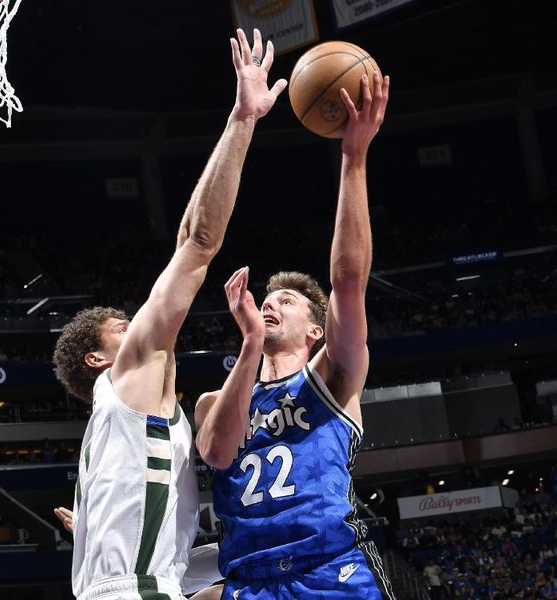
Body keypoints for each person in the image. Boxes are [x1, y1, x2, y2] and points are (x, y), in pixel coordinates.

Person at [51, 28, 286, 600]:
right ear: (99, 356)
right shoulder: (128, 374)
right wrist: (243, 118)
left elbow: (164, 566)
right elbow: (198, 240)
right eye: (123, 327)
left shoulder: (120, 430)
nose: (142, 326)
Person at [194, 71, 394, 599]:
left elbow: (348, 281)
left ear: (315, 330)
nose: (270, 302)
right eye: (267, 299)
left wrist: (354, 158)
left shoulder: (333, 374)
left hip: (330, 570)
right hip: (250, 582)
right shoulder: (214, 400)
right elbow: (217, 453)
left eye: (287, 302)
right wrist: (251, 345)